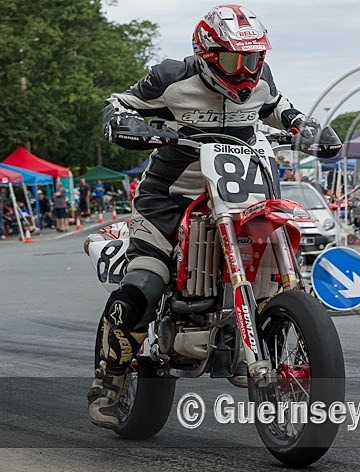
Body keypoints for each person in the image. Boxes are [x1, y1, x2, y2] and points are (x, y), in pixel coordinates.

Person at [87, 4, 340, 429]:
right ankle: (109, 382)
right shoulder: (170, 77)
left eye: (252, 59)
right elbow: (119, 103)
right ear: (206, 55)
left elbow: (278, 108)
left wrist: (304, 126)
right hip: (170, 199)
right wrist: (126, 122)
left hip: (243, 196)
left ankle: (268, 332)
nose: (244, 71)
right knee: (144, 286)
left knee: (273, 264)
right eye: (231, 59)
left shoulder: (262, 79)